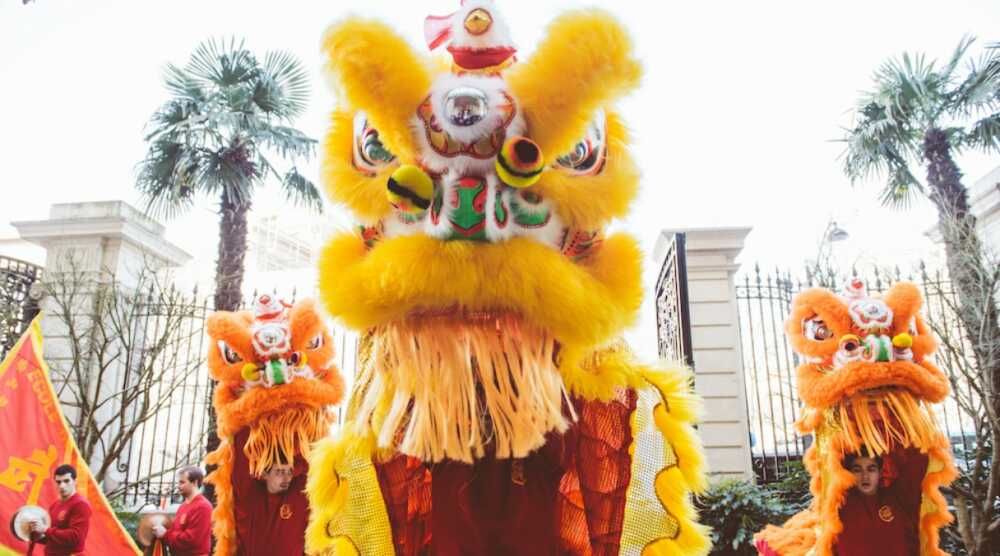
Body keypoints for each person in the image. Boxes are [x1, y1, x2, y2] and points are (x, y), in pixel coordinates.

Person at [834, 447, 927, 556]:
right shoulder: (839, 504)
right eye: (857, 470)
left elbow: (918, 457)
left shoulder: (897, 497)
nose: (865, 476)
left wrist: (886, 435)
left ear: (880, 472)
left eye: (871, 469)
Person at [232, 439, 310, 556]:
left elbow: (311, 454)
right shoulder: (251, 494)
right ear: (264, 474)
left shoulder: (298, 492)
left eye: (289, 472)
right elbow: (242, 448)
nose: (287, 478)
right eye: (280, 472)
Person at [30, 464, 92, 556]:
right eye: (58, 482)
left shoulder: (81, 504)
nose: (62, 486)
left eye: (66, 481)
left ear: (75, 482)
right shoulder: (55, 505)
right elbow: (51, 537)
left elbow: (75, 537)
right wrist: (34, 532)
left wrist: (45, 529)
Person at [155, 466, 212, 556]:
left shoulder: (203, 506)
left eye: (182, 482)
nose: (178, 486)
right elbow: (176, 531)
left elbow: (192, 540)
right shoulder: (183, 506)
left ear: (195, 483)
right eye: (178, 482)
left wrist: (165, 534)